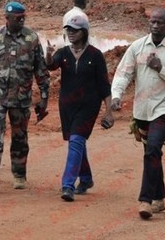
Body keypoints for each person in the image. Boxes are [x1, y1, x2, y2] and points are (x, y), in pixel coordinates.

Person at [110, 8, 165, 220]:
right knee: (151, 152)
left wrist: (160, 69)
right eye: (153, 22)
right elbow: (123, 73)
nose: (155, 26)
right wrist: (116, 95)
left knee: (153, 147)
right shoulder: (137, 46)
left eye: (160, 23)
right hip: (142, 109)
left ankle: (145, 200)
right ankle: (160, 196)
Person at [0, 1, 50, 194]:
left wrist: (44, 98)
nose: (21, 20)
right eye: (17, 18)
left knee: (20, 139)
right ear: (7, 19)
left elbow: (41, 70)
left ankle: (19, 174)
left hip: (21, 99)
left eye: (23, 17)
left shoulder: (31, 38)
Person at [45, 14, 114, 202]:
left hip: (88, 107)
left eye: (75, 30)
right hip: (66, 106)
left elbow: (104, 86)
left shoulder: (95, 55)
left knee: (76, 140)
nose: (71, 33)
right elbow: (51, 66)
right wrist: (49, 55)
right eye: (68, 30)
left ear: (84, 32)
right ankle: (86, 178)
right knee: (77, 142)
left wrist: (108, 111)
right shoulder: (64, 53)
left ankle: (68, 185)